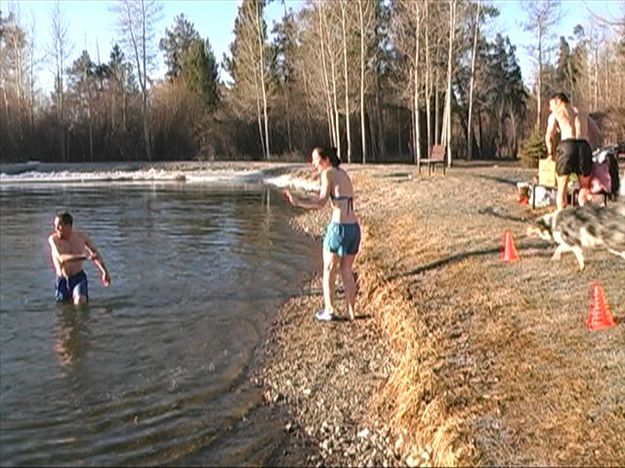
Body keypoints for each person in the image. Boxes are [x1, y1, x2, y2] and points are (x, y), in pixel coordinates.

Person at [284, 147, 361, 321]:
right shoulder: (343, 173)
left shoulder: (327, 174)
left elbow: (321, 202)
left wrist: (298, 202)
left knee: (329, 270)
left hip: (339, 228)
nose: (313, 163)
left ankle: (329, 310)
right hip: (354, 229)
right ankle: (351, 313)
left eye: (316, 159)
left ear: (326, 160)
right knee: (346, 270)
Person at [48, 211, 111, 305]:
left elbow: (95, 253)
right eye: (55, 226)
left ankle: (83, 319)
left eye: (59, 226)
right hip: (62, 279)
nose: (56, 229)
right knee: (64, 309)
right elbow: (61, 258)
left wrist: (104, 271)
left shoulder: (81, 237)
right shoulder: (53, 239)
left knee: (80, 301)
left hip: (78, 277)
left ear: (68, 226)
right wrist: (85, 257)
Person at [545, 92, 593, 210]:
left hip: (567, 146)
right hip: (583, 146)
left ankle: (562, 219)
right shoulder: (582, 112)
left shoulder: (556, 113)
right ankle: (586, 220)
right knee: (584, 188)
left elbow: (548, 136)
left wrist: (550, 153)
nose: (550, 108)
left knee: (562, 188)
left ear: (559, 101)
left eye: (551, 105)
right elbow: (597, 132)